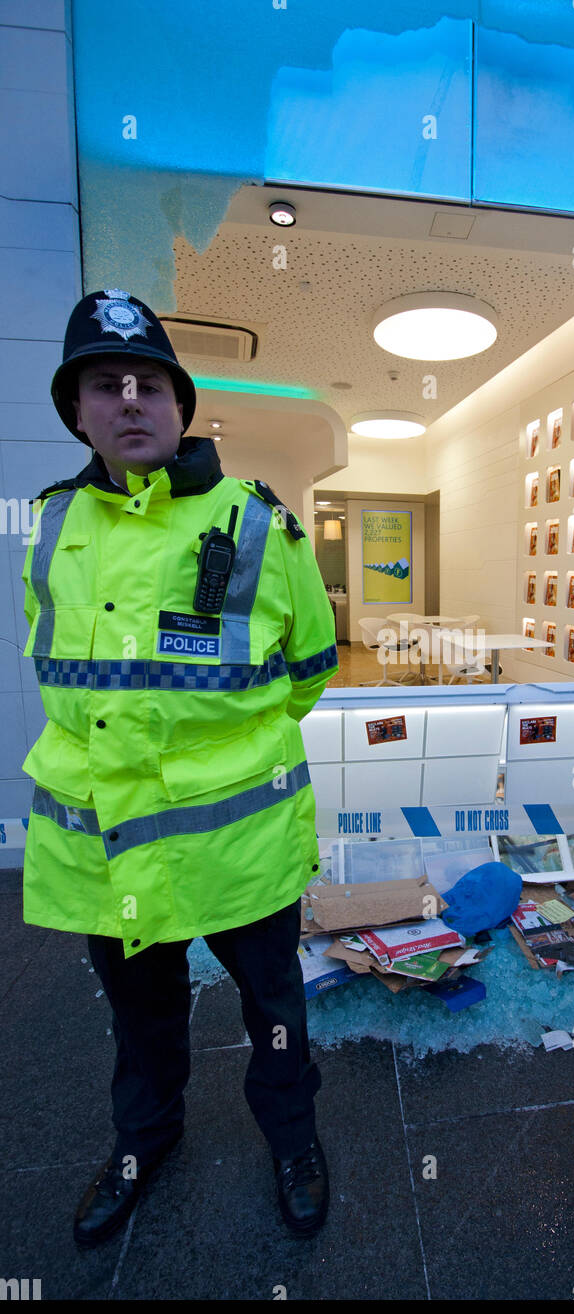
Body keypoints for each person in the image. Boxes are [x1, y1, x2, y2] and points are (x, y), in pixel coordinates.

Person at [21, 289, 339, 1247]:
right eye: (104, 384)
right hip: (107, 850)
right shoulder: (45, 528)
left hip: (237, 843)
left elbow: (309, 669)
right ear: (76, 411)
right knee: (142, 1025)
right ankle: (140, 1144)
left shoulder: (258, 526)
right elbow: (62, 678)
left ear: (181, 404)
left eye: (149, 383)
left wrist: (218, 760)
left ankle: (293, 1141)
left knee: (275, 1013)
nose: (129, 399)